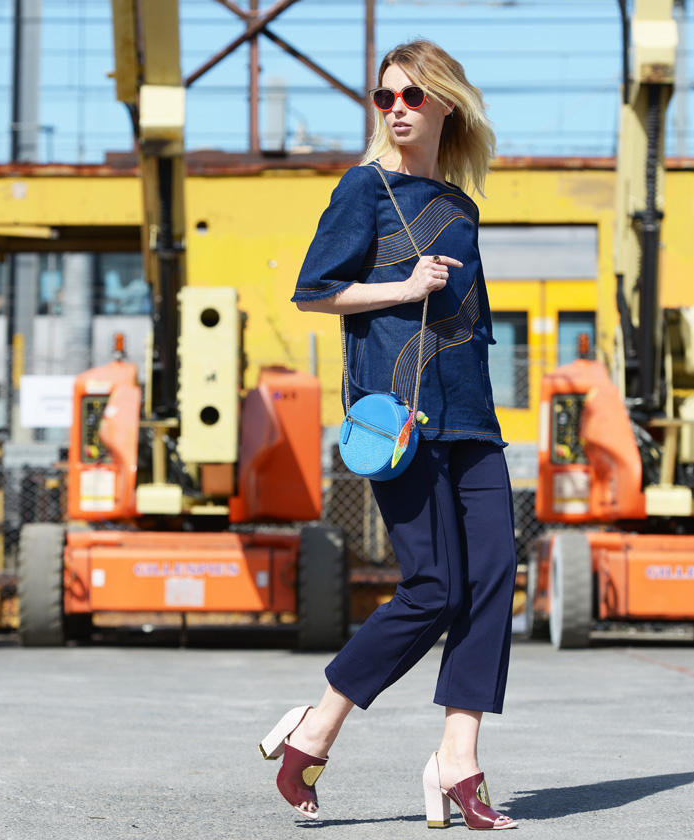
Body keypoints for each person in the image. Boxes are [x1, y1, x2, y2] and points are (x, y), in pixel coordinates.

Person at [259, 40, 519, 830]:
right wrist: (402, 287)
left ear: (446, 104)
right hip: (398, 419)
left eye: (412, 96)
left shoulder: (462, 208)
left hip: (472, 417)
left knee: (494, 576)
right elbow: (314, 292)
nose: (397, 109)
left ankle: (458, 759)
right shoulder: (364, 189)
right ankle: (315, 729)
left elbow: (467, 325)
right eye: (385, 97)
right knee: (434, 587)